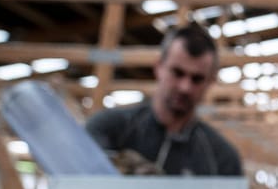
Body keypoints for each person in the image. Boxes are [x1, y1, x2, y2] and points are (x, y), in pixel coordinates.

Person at [85, 23, 241, 176]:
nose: (185, 87)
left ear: (210, 82)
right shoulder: (109, 129)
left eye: (197, 79)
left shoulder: (221, 158)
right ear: (159, 68)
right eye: (178, 73)